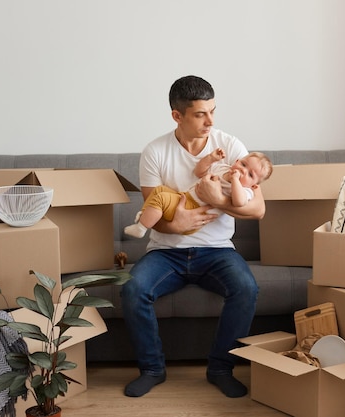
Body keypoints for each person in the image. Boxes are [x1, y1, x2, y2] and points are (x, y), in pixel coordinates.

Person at [121, 75, 266, 398]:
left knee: (246, 288)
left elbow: (257, 210)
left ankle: (220, 368)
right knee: (133, 290)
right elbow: (153, 212)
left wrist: (215, 201)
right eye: (201, 114)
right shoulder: (155, 151)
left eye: (213, 111)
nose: (210, 121)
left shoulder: (231, 147)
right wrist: (177, 225)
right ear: (177, 115)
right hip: (165, 252)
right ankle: (152, 369)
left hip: (217, 251)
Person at [123, 148, 272, 238]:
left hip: (195, 211)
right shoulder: (223, 168)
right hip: (186, 198)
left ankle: (141, 228)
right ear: (237, 160)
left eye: (251, 175)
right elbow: (199, 172)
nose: (242, 171)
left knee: (161, 199)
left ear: (255, 185)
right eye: (243, 164)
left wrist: (234, 182)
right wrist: (211, 159)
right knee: (159, 190)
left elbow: (239, 202)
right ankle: (144, 216)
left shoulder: (246, 190)